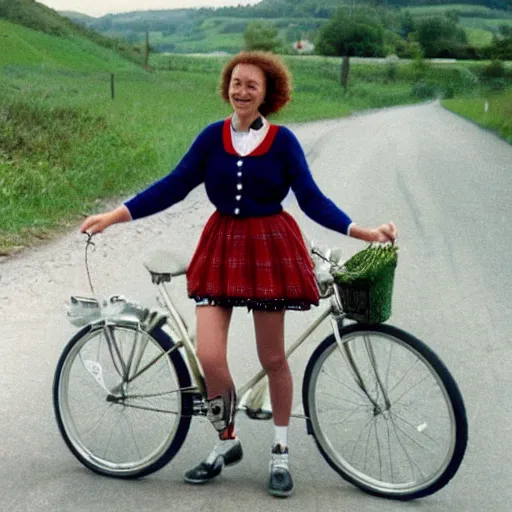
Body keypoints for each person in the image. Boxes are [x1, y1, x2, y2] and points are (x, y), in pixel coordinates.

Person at [80, 51, 397, 498]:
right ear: (227, 87)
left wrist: (362, 230)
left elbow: (311, 199)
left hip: (269, 249)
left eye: (251, 84)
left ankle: (281, 452)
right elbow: (173, 185)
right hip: (221, 248)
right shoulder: (212, 138)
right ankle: (226, 442)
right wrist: (114, 216)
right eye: (235, 82)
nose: (241, 90)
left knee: (272, 358)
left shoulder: (284, 142)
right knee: (210, 357)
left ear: (268, 94)